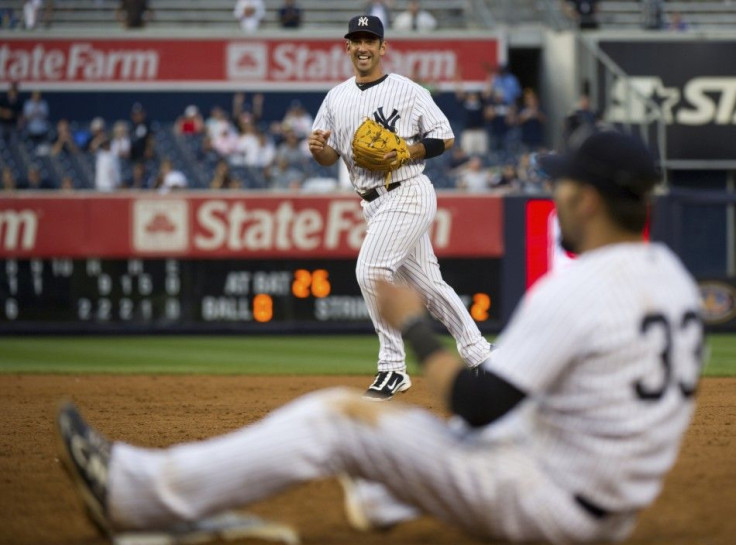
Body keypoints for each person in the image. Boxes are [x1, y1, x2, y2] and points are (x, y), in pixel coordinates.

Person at [56, 129, 704, 544]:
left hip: (548, 505)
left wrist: (413, 320)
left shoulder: (577, 286)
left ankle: (132, 491)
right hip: (610, 501)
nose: (555, 194)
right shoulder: (672, 278)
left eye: (564, 183)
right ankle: (377, 494)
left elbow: (476, 403)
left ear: (587, 199)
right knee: (503, 403)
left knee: (332, 421)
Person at [308, 15, 492, 399]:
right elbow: (329, 156)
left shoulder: (406, 90)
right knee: (430, 287)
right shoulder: (335, 98)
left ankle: (392, 367)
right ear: (347, 47)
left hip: (408, 189)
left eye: (370, 40)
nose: (363, 47)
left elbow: (445, 136)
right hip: (372, 202)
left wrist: (409, 149)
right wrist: (319, 150)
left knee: (371, 268)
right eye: (356, 40)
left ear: (382, 48)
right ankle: (482, 357)